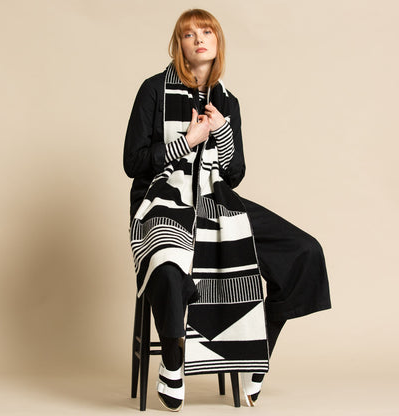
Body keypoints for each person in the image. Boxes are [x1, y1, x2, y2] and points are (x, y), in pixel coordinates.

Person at [123, 8, 332, 412]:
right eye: (189, 34)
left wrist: (221, 132)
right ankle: (172, 362)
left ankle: (257, 354)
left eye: (207, 32)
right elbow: (133, 162)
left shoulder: (228, 101)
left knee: (303, 252)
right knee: (167, 259)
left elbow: (233, 174)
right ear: (179, 45)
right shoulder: (152, 90)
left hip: (215, 200)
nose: (199, 39)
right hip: (162, 198)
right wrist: (187, 142)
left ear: (217, 42)